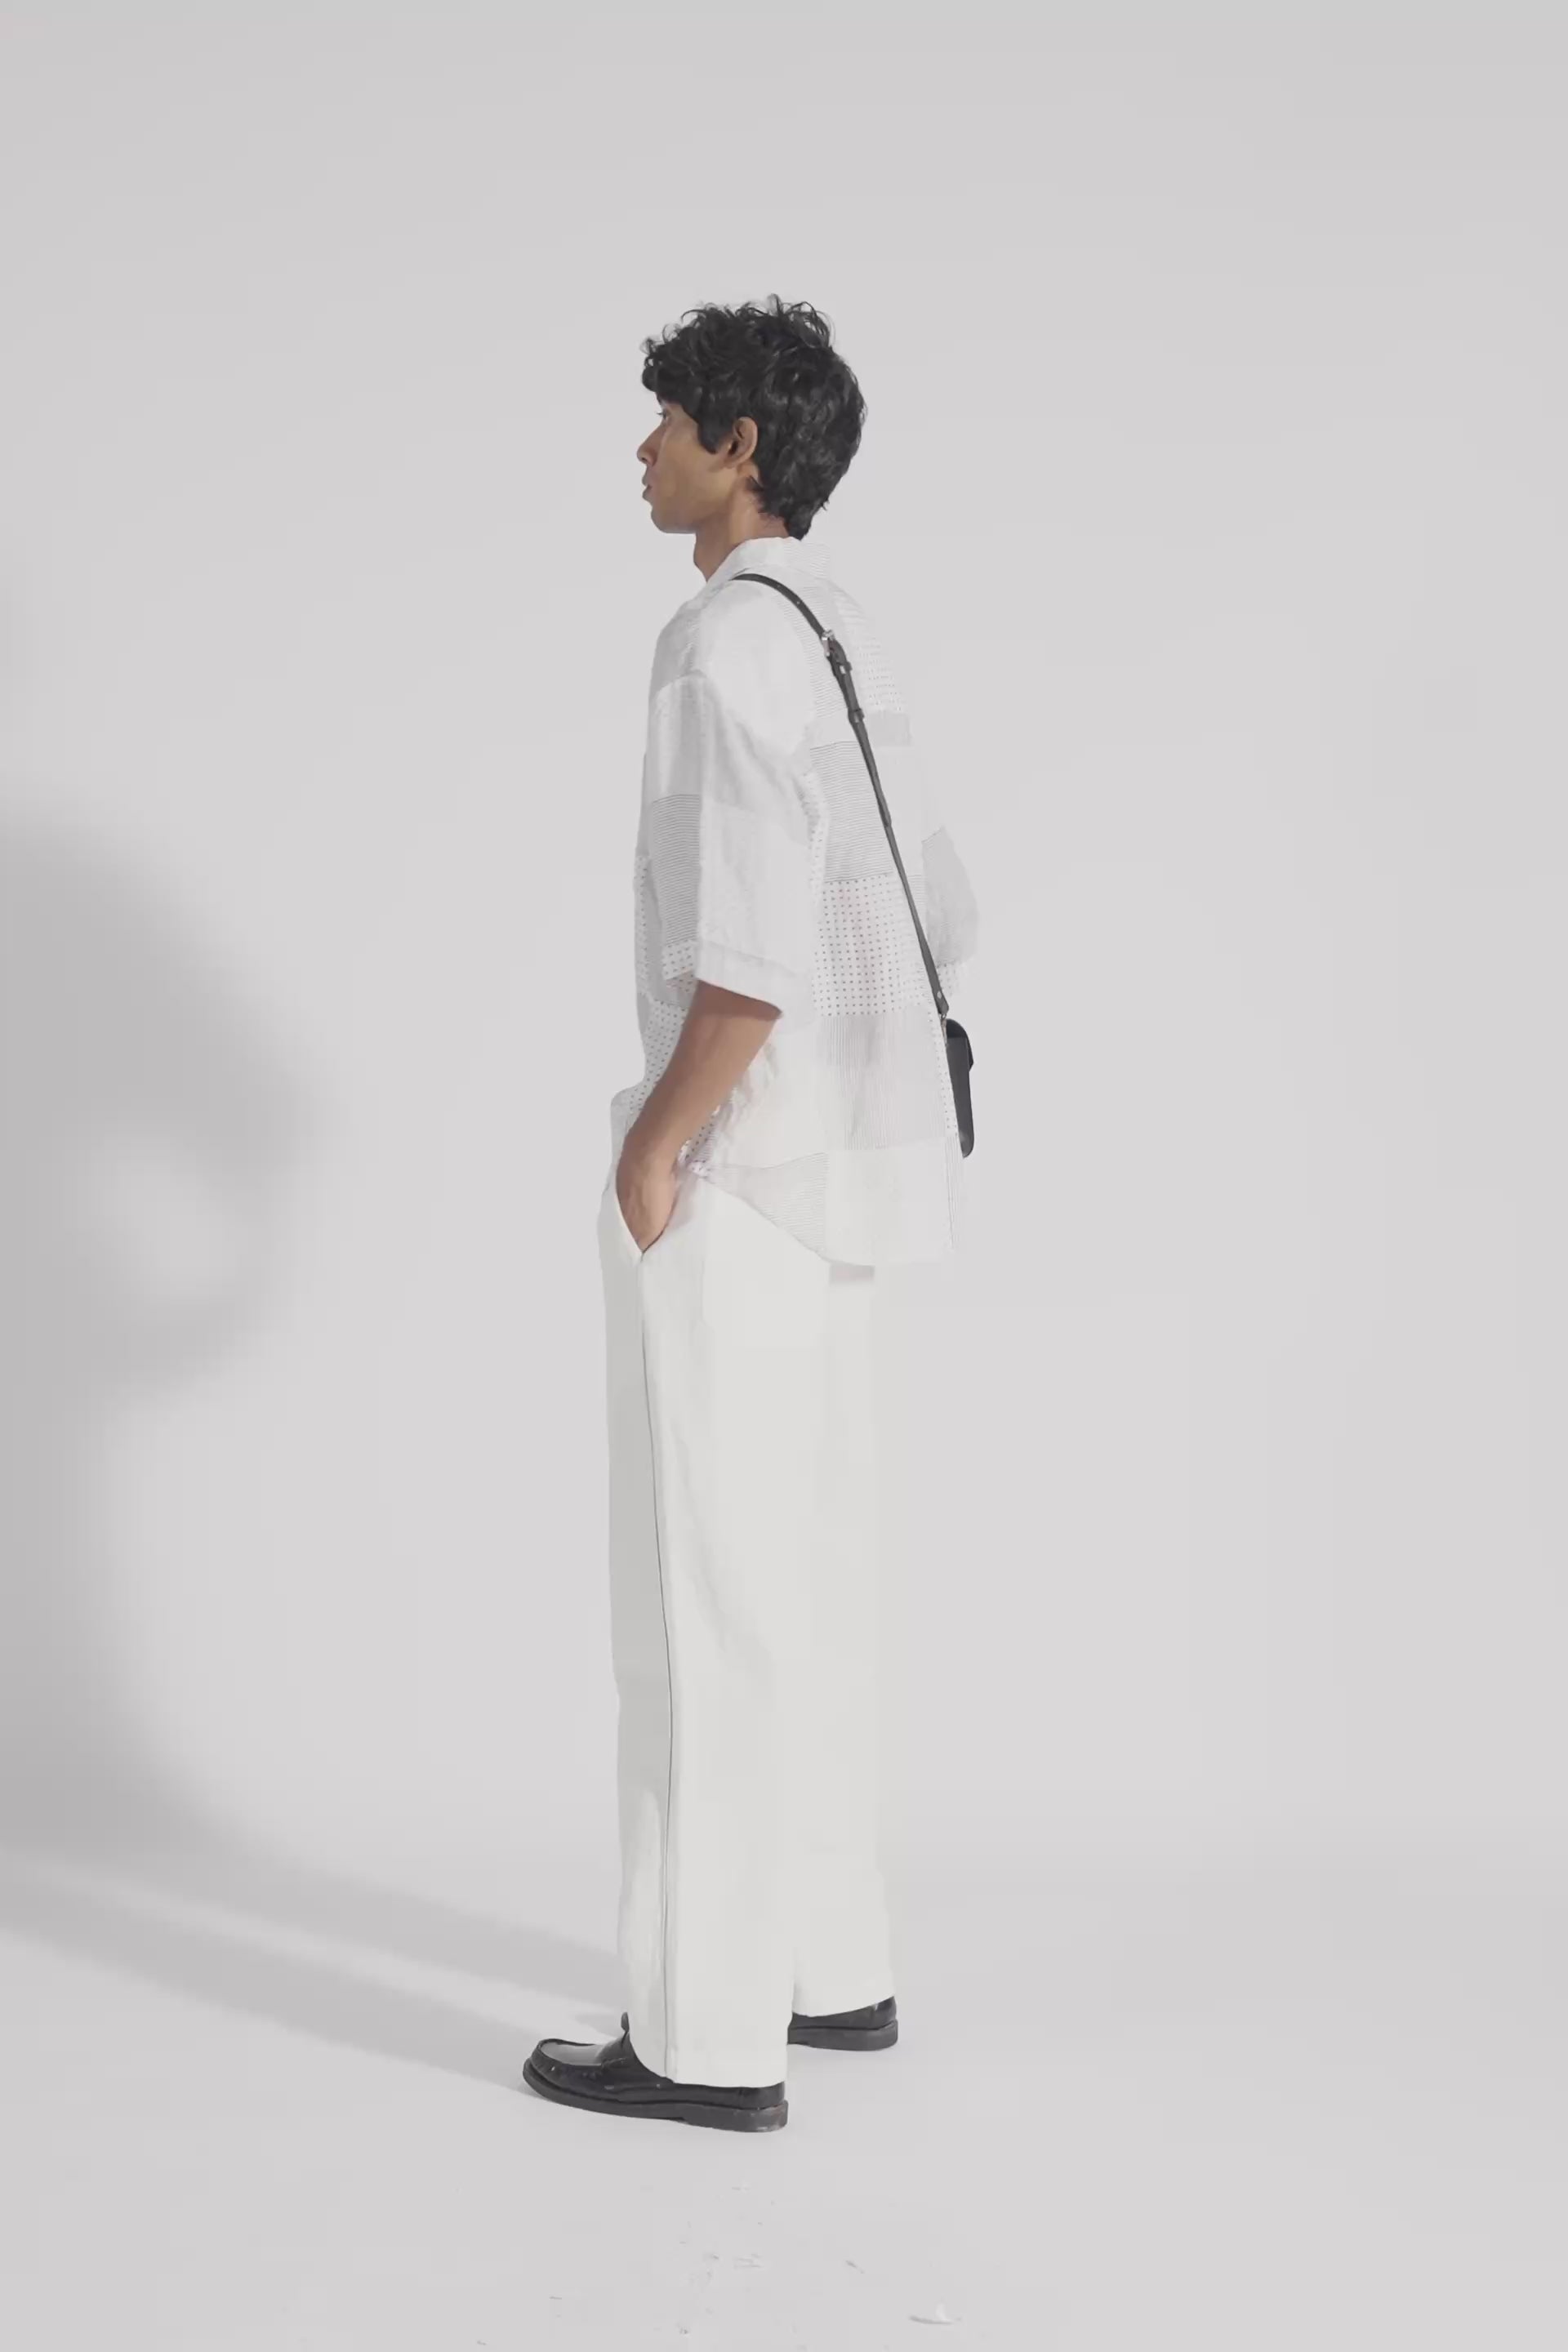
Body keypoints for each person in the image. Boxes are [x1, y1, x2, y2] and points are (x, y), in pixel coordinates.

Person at [523, 297, 979, 2131]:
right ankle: (829, 1968)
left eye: (667, 422)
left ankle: (703, 2037)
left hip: (739, 1173)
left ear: (740, 447)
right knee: (815, 1585)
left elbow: (750, 955)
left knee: (702, 1603)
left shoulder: (719, 644)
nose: (640, 451)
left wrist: (658, 1146)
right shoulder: (840, 630)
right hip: (857, 1181)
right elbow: (942, 904)